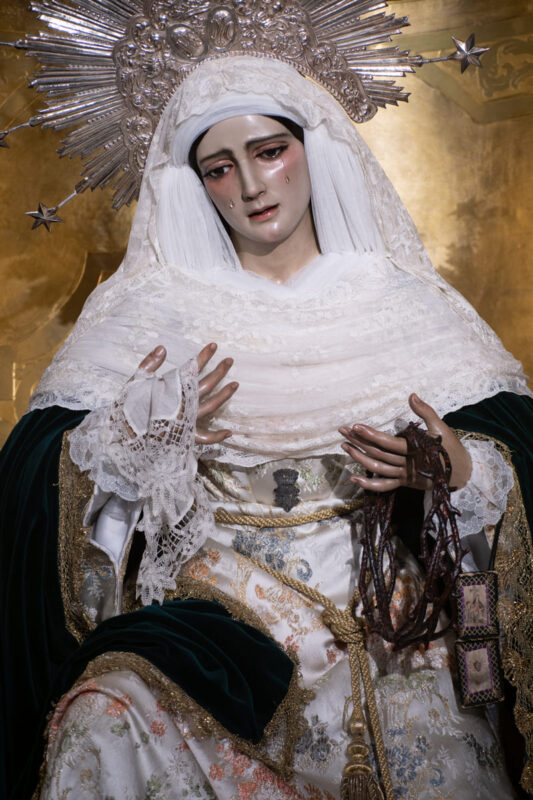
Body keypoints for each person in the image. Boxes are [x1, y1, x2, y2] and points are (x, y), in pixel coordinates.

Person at [2, 55, 533, 800]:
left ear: (311, 150)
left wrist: (459, 472)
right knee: (107, 709)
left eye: (269, 151)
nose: (251, 186)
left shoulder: (404, 304)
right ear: (195, 185)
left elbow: (512, 454)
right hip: (217, 620)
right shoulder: (146, 314)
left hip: (383, 614)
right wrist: (130, 447)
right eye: (219, 169)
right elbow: (32, 492)